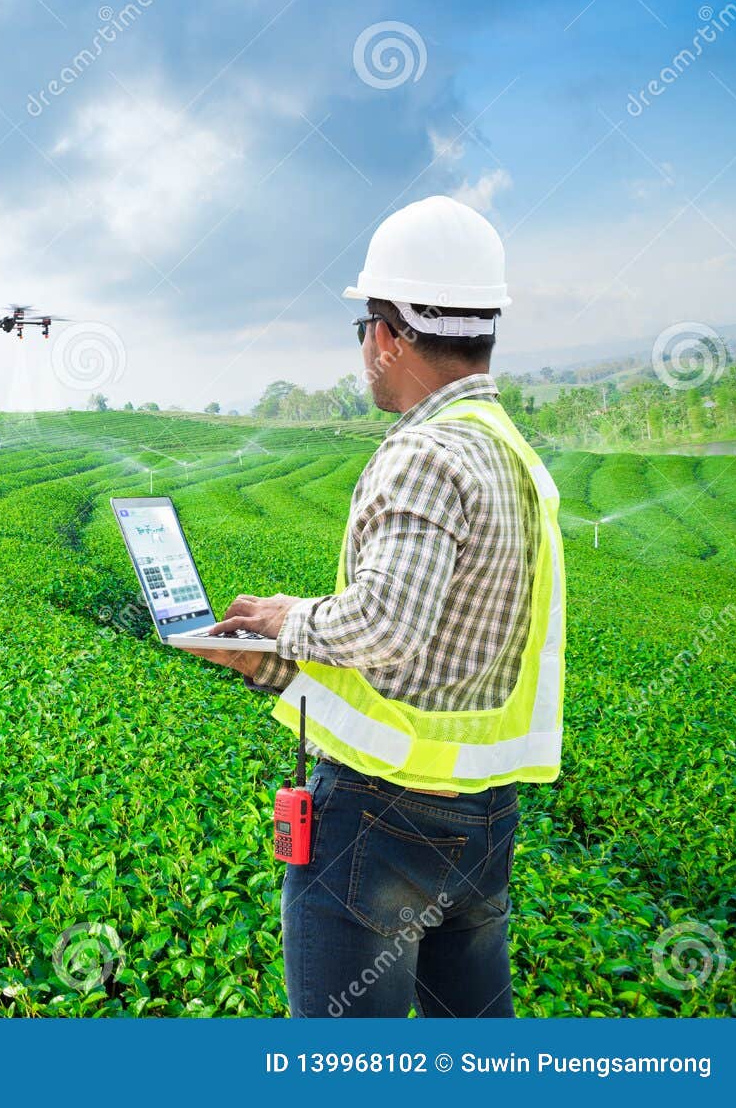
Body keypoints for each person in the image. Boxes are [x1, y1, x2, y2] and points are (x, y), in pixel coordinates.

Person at [198, 195, 566, 1018]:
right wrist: (289, 628)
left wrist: (288, 627)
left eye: (365, 327)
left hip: (382, 825)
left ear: (390, 333)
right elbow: (440, 630)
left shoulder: (424, 452)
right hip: (484, 817)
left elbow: (390, 627)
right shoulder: (510, 453)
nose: (364, 349)